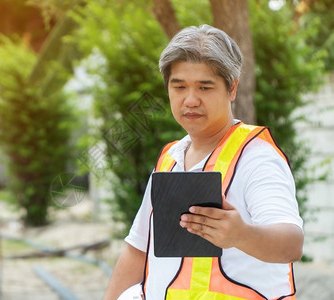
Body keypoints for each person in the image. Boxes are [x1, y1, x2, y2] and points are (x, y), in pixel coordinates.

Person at [103, 24, 304, 300]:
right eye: (180, 87)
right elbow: (138, 250)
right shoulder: (169, 159)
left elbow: (291, 244)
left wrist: (241, 235)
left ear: (232, 88)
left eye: (204, 87)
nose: (191, 100)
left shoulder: (256, 157)